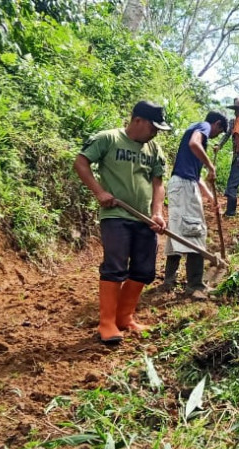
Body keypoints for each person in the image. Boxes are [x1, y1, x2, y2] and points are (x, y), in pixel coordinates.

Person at [73, 101, 171, 345]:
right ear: (138, 121)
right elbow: (81, 162)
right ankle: (106, 322)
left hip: (144, 219)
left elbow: (158, 183)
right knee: (115, 267)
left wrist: (157, 212)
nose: (155, 133)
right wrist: (99, 192)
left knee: (144, 270)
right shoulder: (108, 139)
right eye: (153, 127)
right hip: (116, 215)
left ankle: (124, 317)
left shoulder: (154, 149)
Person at [160, 111, 228, 300]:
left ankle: (169, 280)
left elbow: (196, 177)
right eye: (218, 132)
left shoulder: (194, 134)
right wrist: (211, 166)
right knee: (195, 231)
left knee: (177, 230)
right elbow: (194, 143)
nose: (214, 136)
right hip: (183, 185)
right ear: (217, 124)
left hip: (180, 184)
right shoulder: (203, 127)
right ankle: (195, 285)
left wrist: (211, 199)